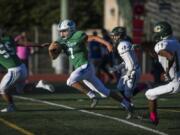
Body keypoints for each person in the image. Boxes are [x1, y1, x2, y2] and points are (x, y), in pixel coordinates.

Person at [48, 19, 133, 114]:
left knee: (70, 81)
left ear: (71, 29)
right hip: (82, 70)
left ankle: (92, 96)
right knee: (105, 92)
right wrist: (51, 51)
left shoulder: (78, 35)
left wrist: (107, 43)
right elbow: (54, 57)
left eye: (64, 31)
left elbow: (93, 38)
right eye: (60, 31)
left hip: (85, 66)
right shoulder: (60, 41)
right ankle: (126, 103)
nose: (62, 33)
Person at [145, 21, 180, 125]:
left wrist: (167, 72)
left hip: (176, 82)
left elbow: (170, 56)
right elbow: (164, 55)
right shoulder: (176, 42)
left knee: (149, 94)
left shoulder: (161, 44)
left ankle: (153, 118)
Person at [110, 26, 141, 112]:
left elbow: (131, 62)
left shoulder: (122, 45)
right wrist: (117, 68)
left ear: (119, 35)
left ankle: (129, 105)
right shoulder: (124, 44)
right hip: (129, 69)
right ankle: (127, 102)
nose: (113, 37)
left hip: (132, 70)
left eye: (115, 35)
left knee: (127, 92)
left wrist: (129, 73)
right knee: (120, 88)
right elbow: (126, 61)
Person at [0, 29, 28, 112]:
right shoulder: (8, 39)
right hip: (22, 67)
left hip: (14, 70)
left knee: (2, 89)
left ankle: (11, 107)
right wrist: (39, 45)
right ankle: (39, 84)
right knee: (21, 90)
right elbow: (22, 43)